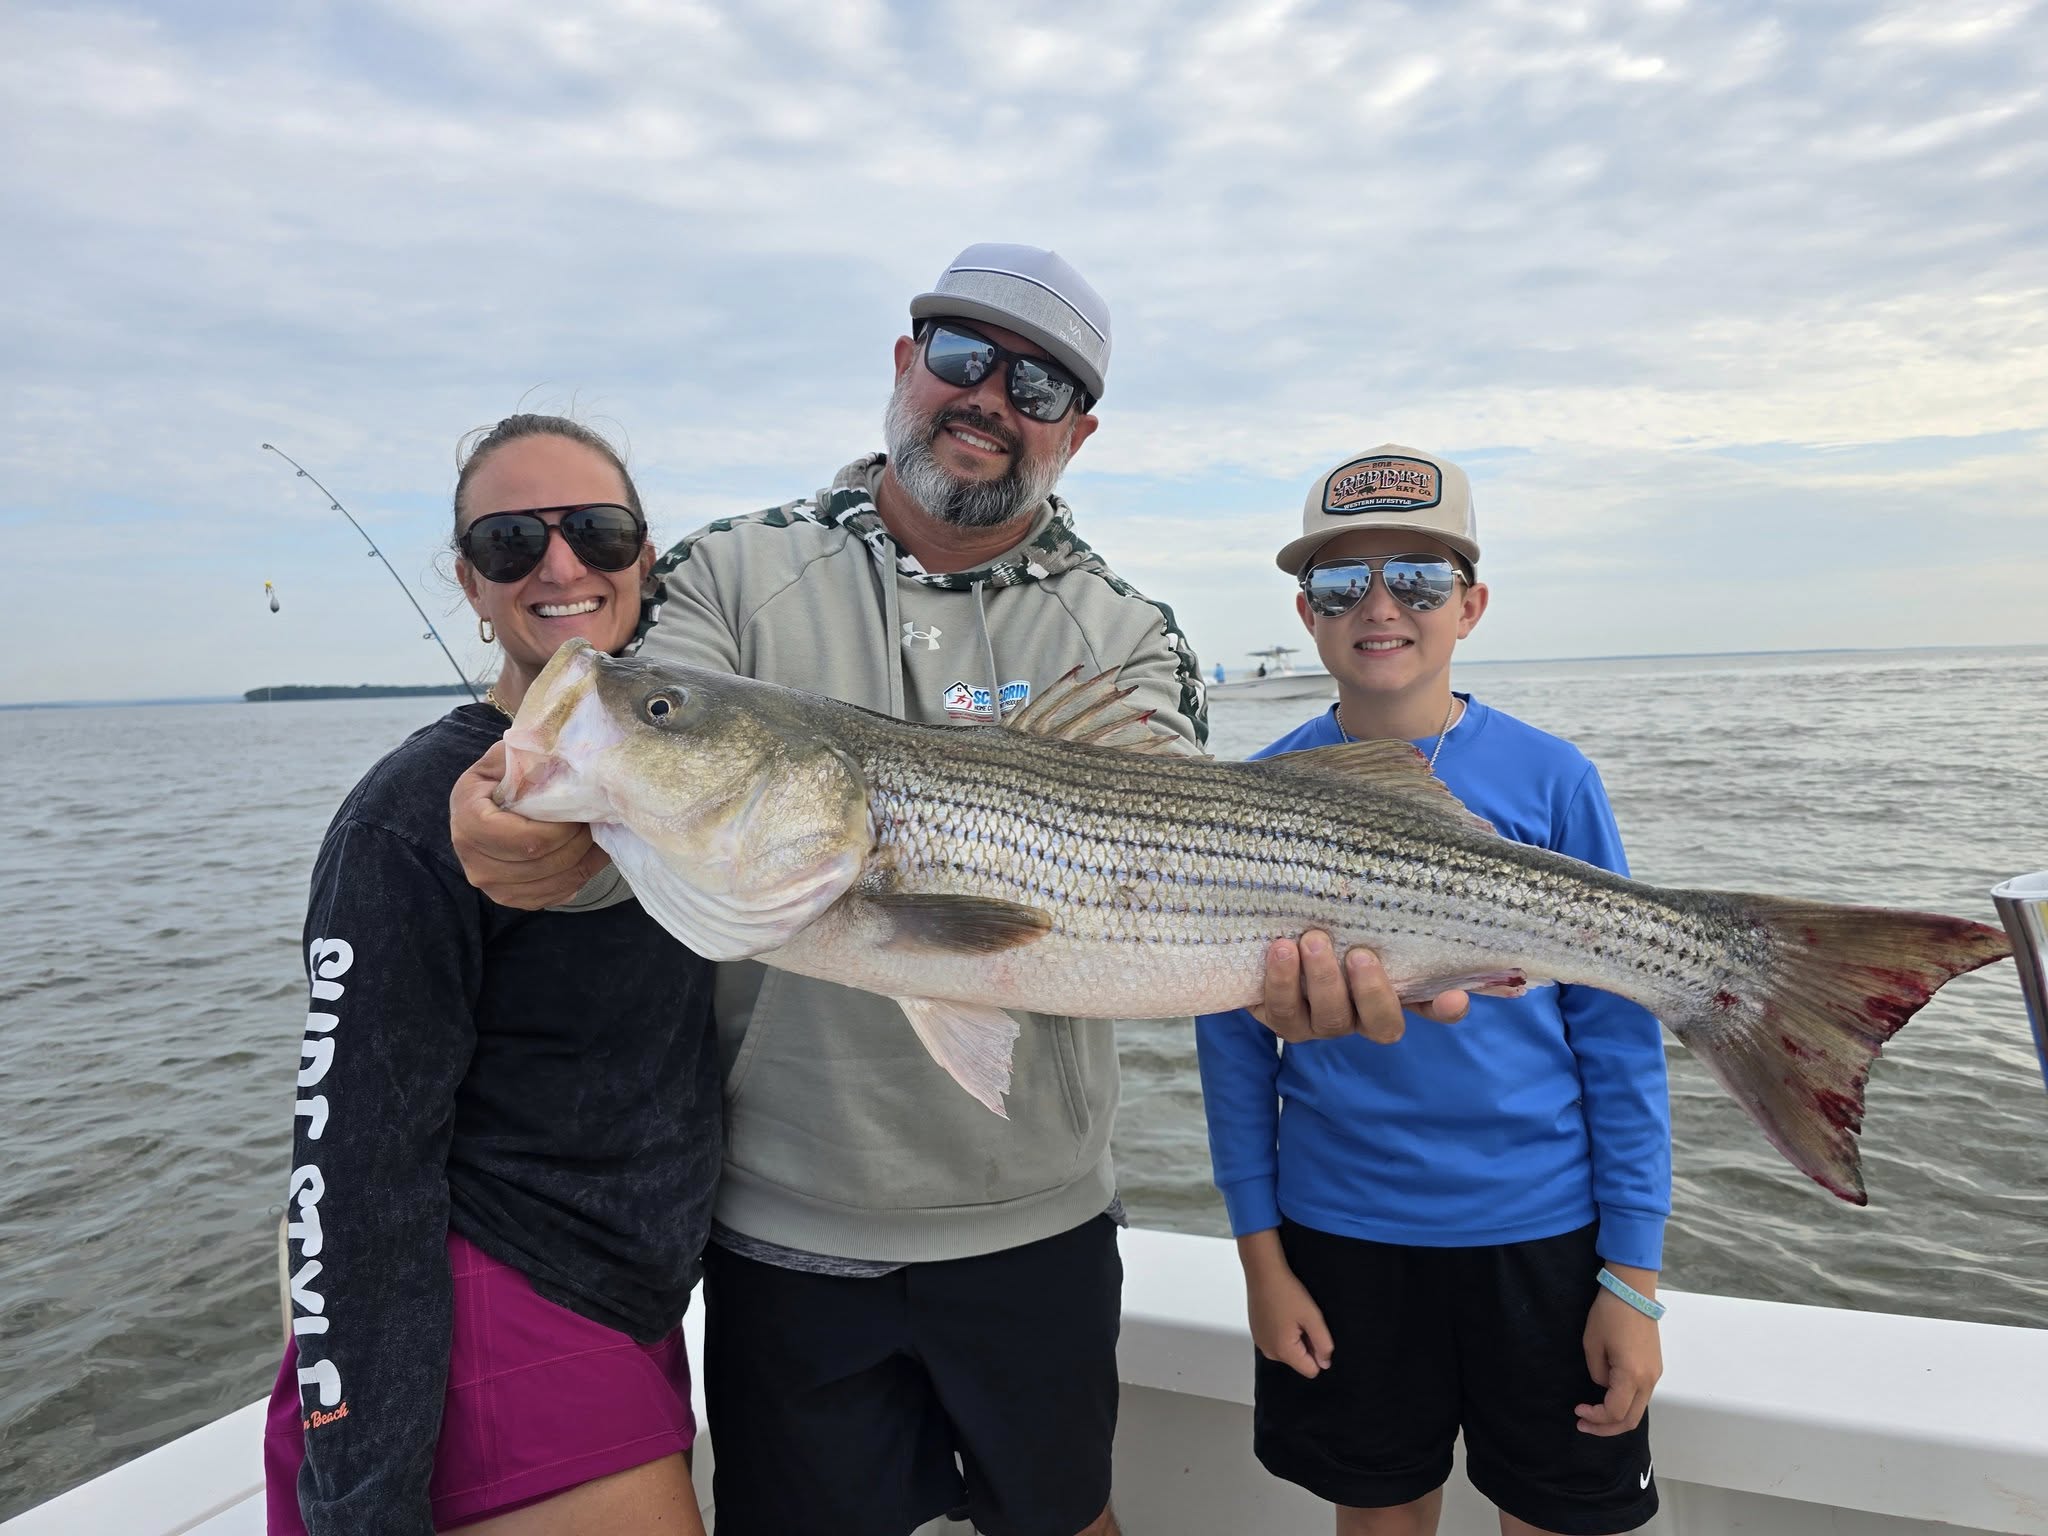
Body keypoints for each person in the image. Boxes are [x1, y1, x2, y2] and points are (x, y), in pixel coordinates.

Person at [448, 250, 1467, 1536]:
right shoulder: (728, 572)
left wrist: (1324, 977)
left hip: (1032, 1218)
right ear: (900, 365)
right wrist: (522, 849)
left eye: (1038, 381)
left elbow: (1182, 859)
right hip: (778, 1222)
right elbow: (627, 795)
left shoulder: (1128, 627)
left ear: (1077, 432)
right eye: (960, 355)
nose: (990, 395)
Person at [1195, 445, 1670, 1536]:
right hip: (1339, 1232)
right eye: (1337, 584)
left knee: (1556, 1514)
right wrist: (1262, 1264)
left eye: (1415, 579)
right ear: (1305, 615)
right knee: (1377, 1512)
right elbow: (1228, 1056)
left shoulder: (1553, 779)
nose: (1378, 606)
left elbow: (1616, 1038)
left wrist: (1630, 1281)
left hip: (1546, 1230)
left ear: (1470, 605)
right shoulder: (1249, 796)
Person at [264, 415, 722, 1536]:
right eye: (512, 540)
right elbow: (351, 1166)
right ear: (470, 583)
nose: (561, 566)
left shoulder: (683, 781)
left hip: (635, 1296)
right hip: (500, 1308)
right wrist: (362, 1485)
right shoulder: (405, 817)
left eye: (598, 532)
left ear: (644, 558)